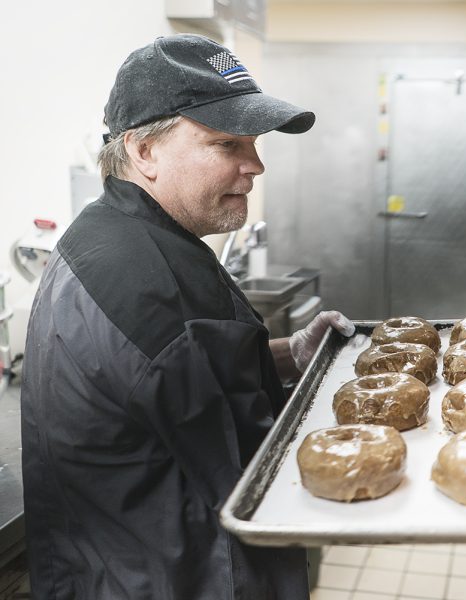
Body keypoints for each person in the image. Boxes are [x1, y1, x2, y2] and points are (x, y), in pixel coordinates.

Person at [20, 34, 354, 600]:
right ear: (143, 151)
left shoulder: (114, 233)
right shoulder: (151, 283)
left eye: (253, 141)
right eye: (227, 144)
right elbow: (257, 479)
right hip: (178, 579)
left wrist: (285, 354)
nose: (255, 164)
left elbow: (183, 383)